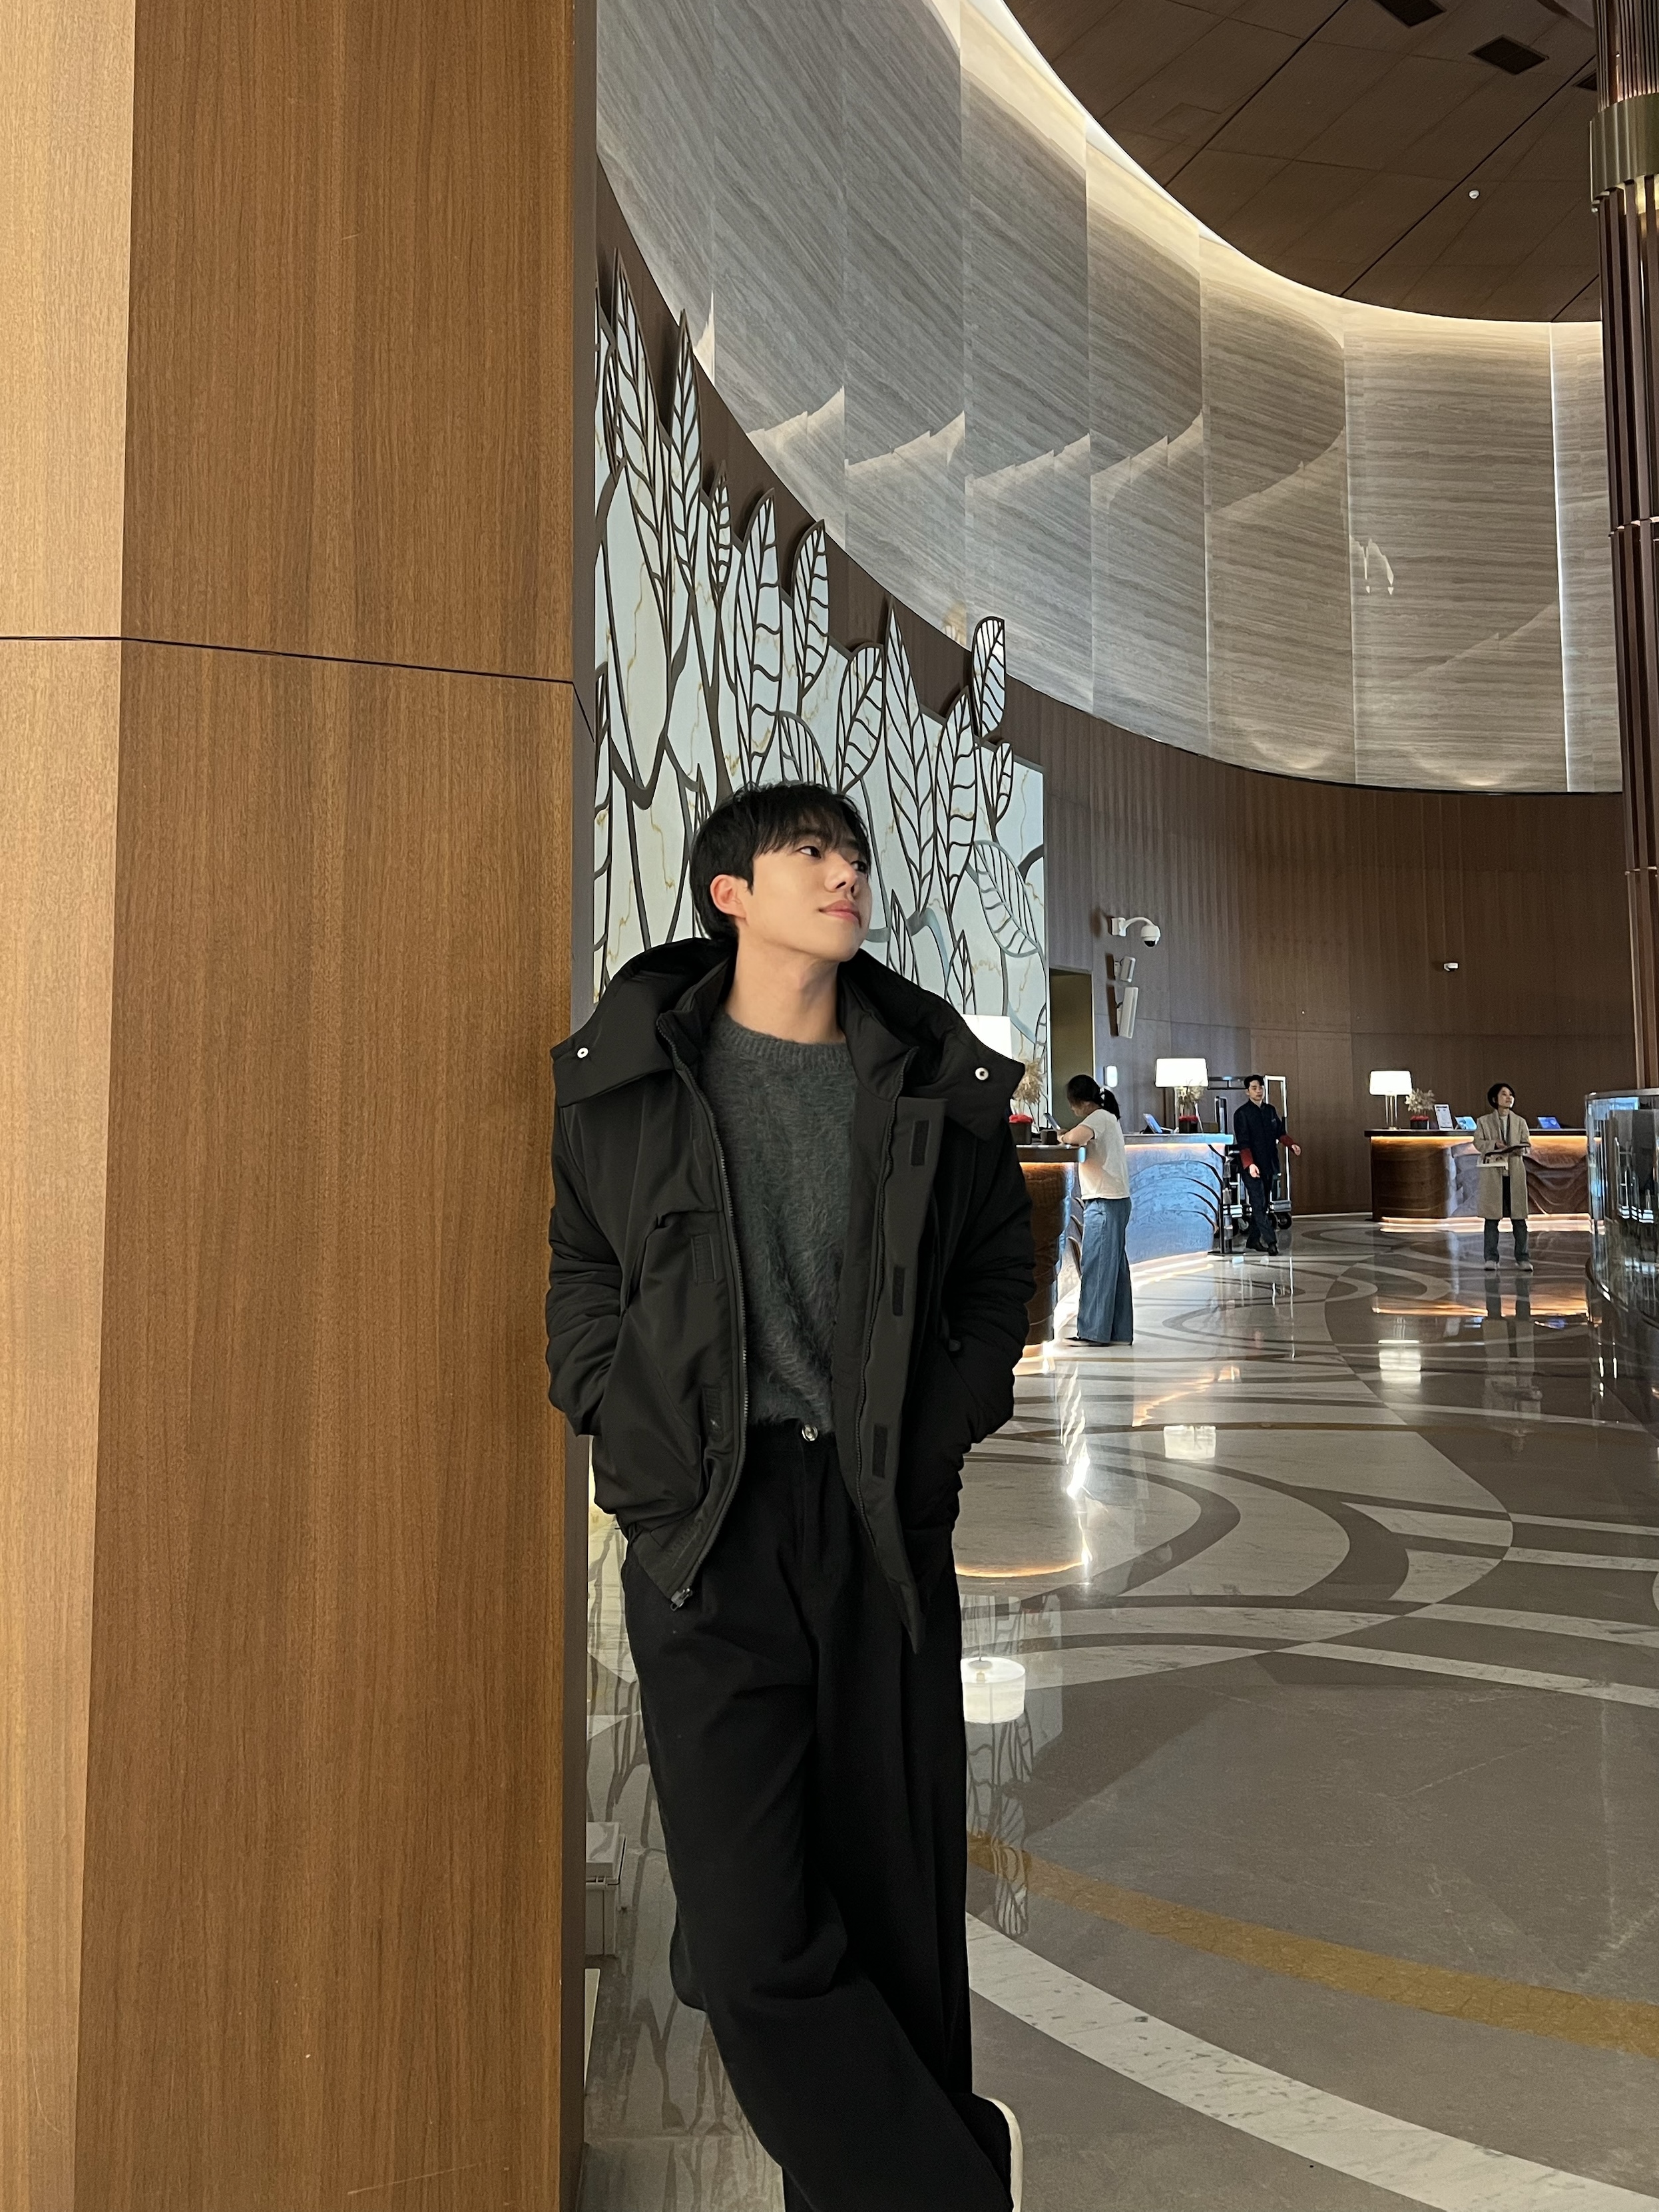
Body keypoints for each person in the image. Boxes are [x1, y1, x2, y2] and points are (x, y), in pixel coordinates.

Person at [546, 782, 1035, 2212]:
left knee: (890, 1914)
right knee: (749, 1942)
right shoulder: (633, 1079)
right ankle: (956, 2186)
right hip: (705, 1525)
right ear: (729, 894)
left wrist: (939, 1428)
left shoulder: (926, 1081)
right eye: (810, 851)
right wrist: (613, 1405)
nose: (845, 873)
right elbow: (582, 1268)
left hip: (875, 1521)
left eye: (854, 852)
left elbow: (995, 1276)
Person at [1059, 1074, 1133, 1345]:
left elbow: (1074, 1138)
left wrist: (1062, 1135)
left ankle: (1093, 1332)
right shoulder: (1107, 1117)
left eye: (1072, 1104)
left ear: (1081, 1102)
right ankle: (1118, 1332)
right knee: (1115, 1269)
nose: (1072, 1109)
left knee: (1097, 1266)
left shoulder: (1098, 1118)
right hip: (1116, 1200)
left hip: (1104, 1201)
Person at [1233, 1076, 1300, 1255]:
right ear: (1247, 1092)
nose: (1259, 1091)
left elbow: (1280, 1132)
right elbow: (1243, 1143)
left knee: (1263, 1205)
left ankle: (1253, 1240)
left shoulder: (1270, 1111)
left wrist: (1291, 1145)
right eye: (1254, 1088)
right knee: (1258, 1202)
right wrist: (1250, 1165)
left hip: (1269, 1164)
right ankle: (1271, 1242)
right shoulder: (1242, 1114)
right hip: (1252, 1166)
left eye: (1261, 1087)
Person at [1477, 1081, 1532, 1271]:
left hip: (1515, 1174)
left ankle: (1523, 1258)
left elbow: (1527, 1145)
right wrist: (1494, 1144)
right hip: (1494, 1175)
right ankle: (1491, 1258)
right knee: (1492, 1219)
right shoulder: (1484, 1122)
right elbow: (1478, 1142)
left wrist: (1519, 1149)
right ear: (1495, 1099)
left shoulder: (1520, 1122)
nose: (1509, 1098)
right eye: (1504, 1094)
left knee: (1519, 1220)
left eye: (1511, 1095)